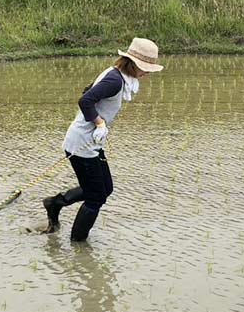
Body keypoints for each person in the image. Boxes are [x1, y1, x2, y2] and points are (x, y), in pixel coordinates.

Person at [42, 37, 164, 241]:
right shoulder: (115, 81)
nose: (147, 73)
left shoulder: (115, 75)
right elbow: (85, 100)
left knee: (105, 188)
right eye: (146, 68)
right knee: (96, 197)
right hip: (81, 144)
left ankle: (55, 203)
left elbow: (88, 90)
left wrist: (99, 123)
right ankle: (78, 245)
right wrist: (99, 123)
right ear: (133, 64)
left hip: (91, 142)